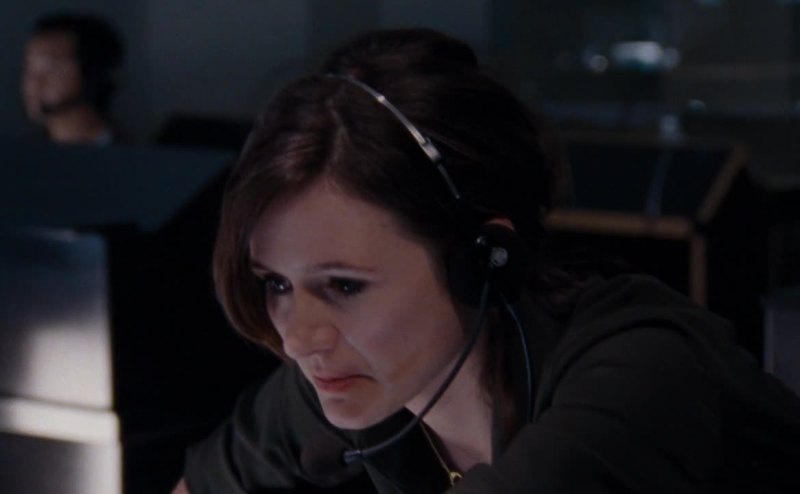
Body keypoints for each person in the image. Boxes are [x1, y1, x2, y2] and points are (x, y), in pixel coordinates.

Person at [175, 29, 800, 493]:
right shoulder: (345, 372)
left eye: (343, 286)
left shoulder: (638, 374)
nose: (298, 339)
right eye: (277, 283)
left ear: (483, 261)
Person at [20, 11, 124, 145]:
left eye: (50, 67)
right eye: (29, 68)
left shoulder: (133, 153)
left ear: (91, 71)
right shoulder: (21, 155)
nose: (33, 82)